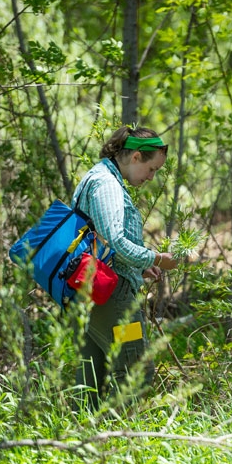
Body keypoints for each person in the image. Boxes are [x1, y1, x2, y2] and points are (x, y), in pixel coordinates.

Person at [71, 126, 181, 410]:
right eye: (151, 168)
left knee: (89, 380)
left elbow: (102, 242)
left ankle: (84, 445)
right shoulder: (107, 184)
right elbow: (116, 241)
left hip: (94, 293)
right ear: (134, 157)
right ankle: (118, 445)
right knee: (135, 371)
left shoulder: (98, 177)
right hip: (112, 298)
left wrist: (138, 267)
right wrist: (155, 259)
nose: (151, 177)